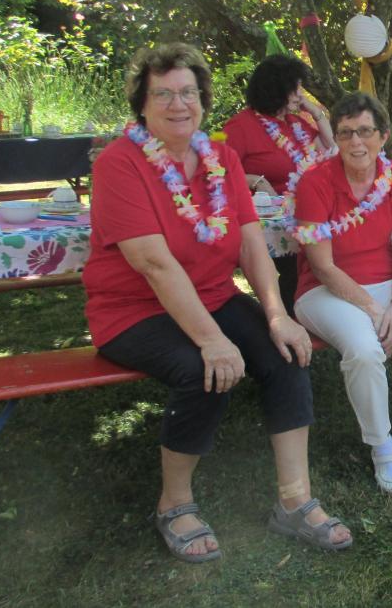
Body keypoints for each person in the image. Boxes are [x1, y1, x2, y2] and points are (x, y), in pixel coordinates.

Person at [83, 43, 351, 564]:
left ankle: (294, 500)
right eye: (163, 93)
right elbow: (155, 264)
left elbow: (252, 241)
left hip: (214, 295)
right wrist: (212, 340)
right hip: (132, 310)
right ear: (142, 103)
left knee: (287, 351)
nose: (178, 103)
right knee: (200, 368)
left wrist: (277, 315)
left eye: (187, 92)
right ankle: (174, 503)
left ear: (203, 100)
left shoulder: (221, 157)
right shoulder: (119, 164)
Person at [293, 92, 392, 494]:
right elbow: (323, 266)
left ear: (383, 136)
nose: (355, 142)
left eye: (365, 131)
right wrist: (372, 308)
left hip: (389, 283)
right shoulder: (315, 183)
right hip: (324, 291)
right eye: (346, 132)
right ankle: (382, 447)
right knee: (365, 351)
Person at [223, 54, 336, 314]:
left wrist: (316, 113)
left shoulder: (296, 124)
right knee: (295, 268)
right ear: (277, 89)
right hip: (267, 217)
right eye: (295, 88)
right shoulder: (241, 126)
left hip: (307, 210)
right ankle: (288, 321)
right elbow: (217, 172)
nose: (300, 94)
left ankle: (316, 315)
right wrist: (254, 180)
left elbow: (332, 152)